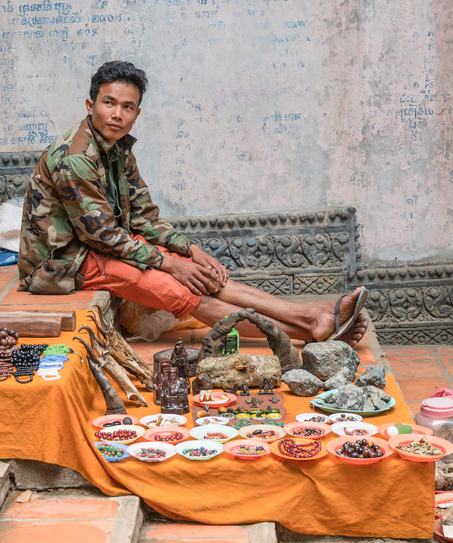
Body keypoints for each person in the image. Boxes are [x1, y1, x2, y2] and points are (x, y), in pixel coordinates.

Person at [18, 61, 368, 344]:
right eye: (109, 103)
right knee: (185, 294)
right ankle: (309, 332)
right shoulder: (76, 156)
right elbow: (102, 236)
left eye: (127, 107)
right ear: (90, 104)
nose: (117, 114)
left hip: (103, 247)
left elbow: (143, 217)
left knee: (202, 274)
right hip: (64, 262)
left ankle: (311, 314)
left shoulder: (118, 148)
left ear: (137, 114)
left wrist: (190, 251)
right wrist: (171, 266)